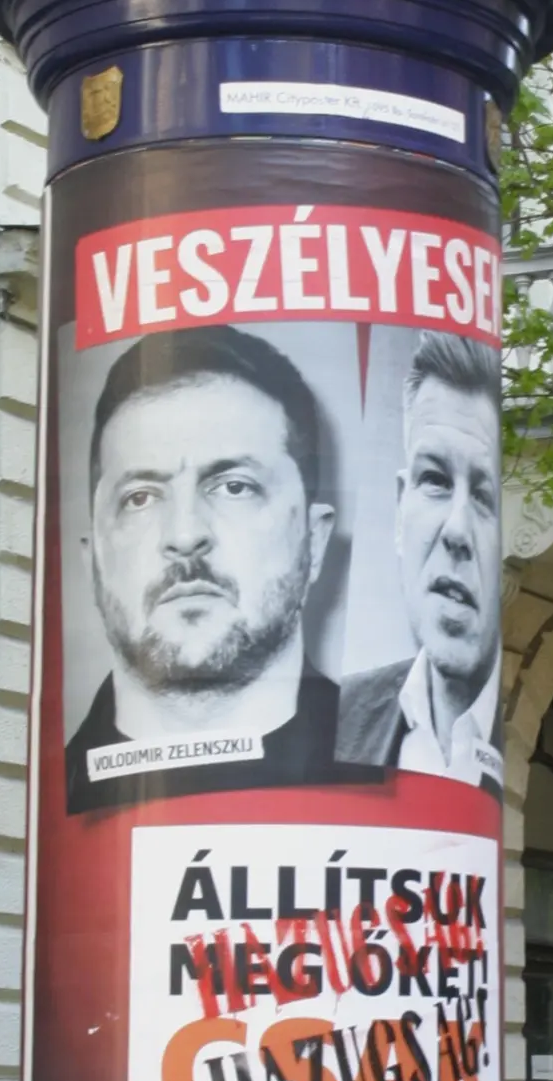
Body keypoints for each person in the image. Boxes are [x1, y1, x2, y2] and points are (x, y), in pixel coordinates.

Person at [65, 325, 341, 810]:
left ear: (313, 540)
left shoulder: (400, 761)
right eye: (140, 497)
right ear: (93, 561)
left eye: (235, 487)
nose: (185, 534)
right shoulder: (49, 799)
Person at [337, 332, 503, 790]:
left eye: (483, 495)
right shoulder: (345, 715)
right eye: (435, 480)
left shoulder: (507, 738)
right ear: (399, 510)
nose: (456, 531)